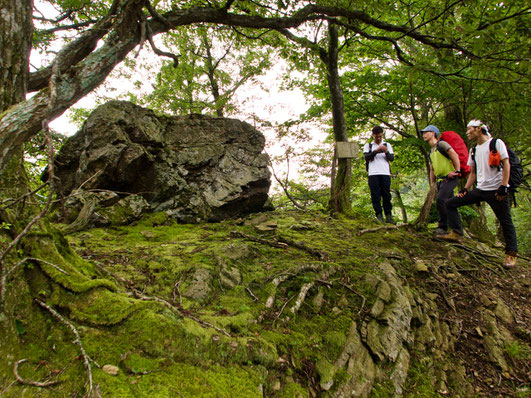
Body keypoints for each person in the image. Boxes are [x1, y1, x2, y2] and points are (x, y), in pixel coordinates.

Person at [441, 120, 517, 268]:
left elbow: (506, 164)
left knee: (505, 221)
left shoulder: (496, 143)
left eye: (469, 130)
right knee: (450, 203)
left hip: (496, 191)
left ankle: (511, 254)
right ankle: (457, 233)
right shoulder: (474, 150)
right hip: (480, 190)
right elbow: (473, 172)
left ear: (478, 129)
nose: (467, 133)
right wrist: (466, 189)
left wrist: (504, 186)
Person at [421, 125, 462, 236]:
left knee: (441, 200)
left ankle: (443, 228)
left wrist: (457, 171)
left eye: (426, 132)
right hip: (440, 181)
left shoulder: (441, 144)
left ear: (433, 133)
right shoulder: (431, 151)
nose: (424, 134)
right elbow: (432, 169)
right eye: (423, 133)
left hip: (449, 178)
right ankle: (456, 230)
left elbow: (454, 155)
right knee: (450, 204)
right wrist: (432, 184)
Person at [363, 126, 395, 223]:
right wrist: (376, 151)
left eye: (380, 136)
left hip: (385, 173)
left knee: (386, 194)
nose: (379, 138)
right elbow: (366, 157)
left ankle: (388, 215)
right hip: (373, 173)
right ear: (373, 135)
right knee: (375, 195)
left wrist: (385, 151)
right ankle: (379, 215)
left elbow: (391, 158)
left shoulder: (387, 145)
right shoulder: (368, 145)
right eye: (377, 136)